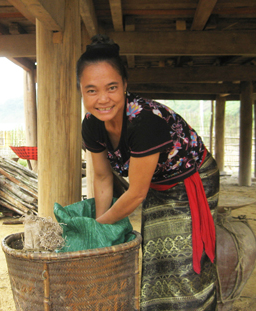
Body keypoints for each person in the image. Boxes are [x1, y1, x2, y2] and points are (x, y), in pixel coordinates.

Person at [78, 34, 219, 310]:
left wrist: (98, 229)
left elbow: (136, 193)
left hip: (192, 179)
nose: (102, 99)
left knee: (183, 261)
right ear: (81, 91)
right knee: (155, 255)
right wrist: (99, 228)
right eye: (91, 90)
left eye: (112, 88)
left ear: (125, 86)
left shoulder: (144, 122)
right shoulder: (91, 124)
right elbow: (103, 178)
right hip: (156, 183)